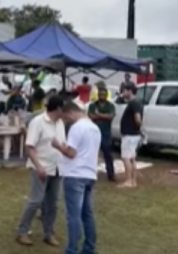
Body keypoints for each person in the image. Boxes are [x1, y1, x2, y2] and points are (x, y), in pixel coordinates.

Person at [51, 101, 101, 254]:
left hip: (75, 175)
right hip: (90, 173)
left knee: (73, 215)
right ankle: (89, 248)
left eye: (67, 118)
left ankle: (72, 249)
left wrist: (58, 146)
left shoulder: (77, 127)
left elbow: (71, 153)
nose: (67, 121)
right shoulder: (95, 128)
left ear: (71, 113)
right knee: (87, 214)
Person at [16, 95, 66, 247]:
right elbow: (29, 147)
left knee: (53, 204)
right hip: (42, 167)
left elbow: (62, 144)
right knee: (36, 200)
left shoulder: (60, 123)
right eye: (63, 108)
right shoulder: (38, 122)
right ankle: (22, 231)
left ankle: (49, 233)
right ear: (57, 109)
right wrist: (38, 166)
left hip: (57, 168)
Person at [87, 84, 116, 182]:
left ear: (106, 95)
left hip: (106, 134)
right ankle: (90, 173)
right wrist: (104, 116)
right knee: (93, 154)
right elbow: (91, 117)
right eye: (100, 94)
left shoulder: (110, 105)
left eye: (104, 94)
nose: (102, 96)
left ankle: (111, 174)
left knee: (108, 154)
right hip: (94, 133)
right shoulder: (92, 105)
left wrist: (98, 115)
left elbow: (110, 117)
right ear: (98, 95)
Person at [119, 86, 144, 188]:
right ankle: (133, 181)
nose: (122, 93)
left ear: (130, 91)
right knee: (132, 158)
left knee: (126, 158)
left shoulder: (134, 103)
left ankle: (128, 181)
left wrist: (138, 127)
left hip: (130, 135)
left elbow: (137, 118)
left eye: (124, 91)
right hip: (133, 134)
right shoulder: (135, 102)